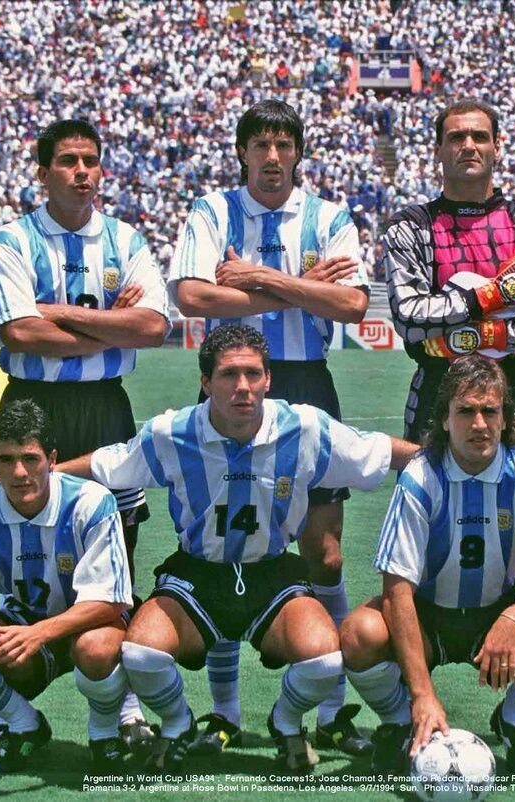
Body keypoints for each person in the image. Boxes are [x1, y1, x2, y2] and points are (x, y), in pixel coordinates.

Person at [57, 324, 419, 772]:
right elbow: (106, 465)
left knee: (325, 661)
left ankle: (285, 721)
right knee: (141, 655)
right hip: (197, 573)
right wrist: (44, 476)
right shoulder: (173, 432)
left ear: (268, 379)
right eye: (229, 374)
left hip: (272, 573)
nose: (242, 386)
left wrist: (446, 457)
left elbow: (378, 451)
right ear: (206, 382)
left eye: (252, 374)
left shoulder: (304, 427)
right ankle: (178, 722)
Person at [171, 99, 372, 756]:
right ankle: (226, 712)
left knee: (325, 552)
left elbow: (351, 302)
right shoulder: (212, 211)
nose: (273, 156)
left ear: (298, 153)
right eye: (261, 144)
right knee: (227, 544)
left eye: (285, 145)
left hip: (307, 381)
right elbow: (193, 296)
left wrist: (259, 276)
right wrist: (302, 286)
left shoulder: (328, 217)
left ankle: (332, 708)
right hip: (232, 380)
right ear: (243, 152)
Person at [382, 98, 515, 750]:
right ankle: (411, 700)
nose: (469, 146)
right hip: (436, 400)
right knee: (423, 538)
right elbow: (409, 318)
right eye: (456, 137)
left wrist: (476, 334)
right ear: (438, 148)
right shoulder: (410, 226)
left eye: (479, 136)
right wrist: (499, 294)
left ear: (497, 146)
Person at [0, 117, 166, 752]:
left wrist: (58, 313)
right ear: (43, 172)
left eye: (90, 160)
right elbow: (20, 333)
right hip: (31, 403)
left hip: (105, 404)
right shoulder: (12, 239)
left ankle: (124, 707)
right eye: (67, 161)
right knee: (20, 539)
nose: (81, 172)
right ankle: (17, 706)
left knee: (120, 549)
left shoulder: (125, 238)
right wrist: (110, 323)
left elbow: (153, 327)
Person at [341, 355, 515, 777]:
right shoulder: (420, 478)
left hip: (497, 610)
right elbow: (397, 591)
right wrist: (422, 694)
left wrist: (514, 618)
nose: (479, 424)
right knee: (359, 633)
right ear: (444, 419)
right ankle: (401, 723)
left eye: (489, 411)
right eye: (465, 411)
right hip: (428, 616)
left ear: (505, 418)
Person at [0, 401, 134, 771]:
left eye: (30, 458)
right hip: (24, 618)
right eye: (6, 460)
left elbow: (112, 600)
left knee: (95, 648)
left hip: (89, 623)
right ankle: (24, 723)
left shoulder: (91, 502)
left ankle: (104, 732)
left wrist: (39, 633)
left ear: (52, 460)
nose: (19, 472)